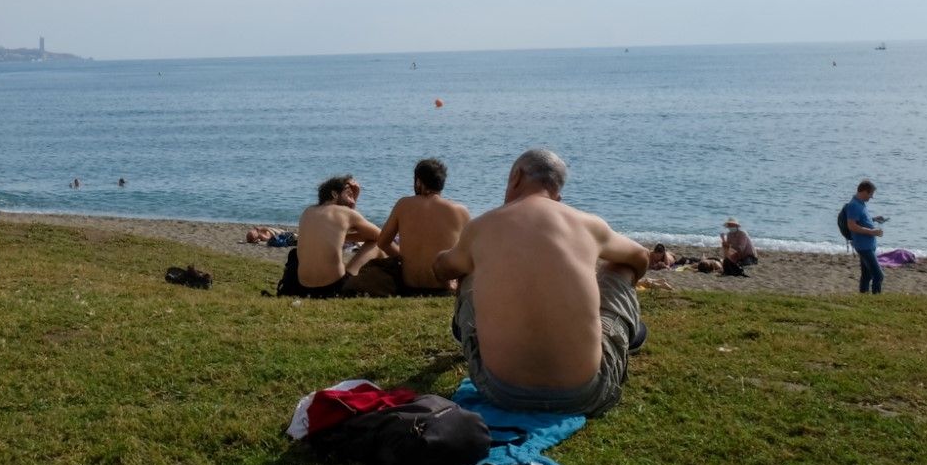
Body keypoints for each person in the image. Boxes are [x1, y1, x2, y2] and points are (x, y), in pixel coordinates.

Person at [433, 148, 650, 416]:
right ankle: (624, 330)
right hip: (585, 394)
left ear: (516, 176)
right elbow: (640, 256)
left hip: (499, 392)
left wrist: (455, 256)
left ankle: (465, 328)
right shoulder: (587, 224)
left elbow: (443, 269)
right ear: (557, 194)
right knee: (621, 265)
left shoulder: (482, 227)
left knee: (467, 269)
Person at [357, 158, 471, 296]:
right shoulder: (460, 210)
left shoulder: (403, 205)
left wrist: (404, 257)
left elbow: (382, 242)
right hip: (444, 287)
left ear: (418, 182)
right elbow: (471, 251)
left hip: (410, 287)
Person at [277, 174, 382, 297]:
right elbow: (381, 236)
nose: (352, 200)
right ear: (334, 194)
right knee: (377, 245)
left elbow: (343, 231)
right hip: (333, 289)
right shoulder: (345, 213)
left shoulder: (307, 212)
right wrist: (354, 205)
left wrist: (345, 238)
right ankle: (403, 273)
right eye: (349, 195)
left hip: (302, 288)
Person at [842, 180, 884, 294]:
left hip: (868, 245)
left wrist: (874, 219)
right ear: (864, 192)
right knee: (879, 275)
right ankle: (877, 300)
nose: (872, 197)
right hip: (863, 247)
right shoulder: (854, 205)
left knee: (867, 275)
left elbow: (861, 220)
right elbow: (852, 226)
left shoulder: (860, 204)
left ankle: (863, 297)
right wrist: (872, 231)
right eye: (871, 194)